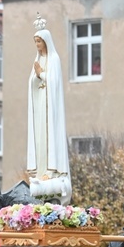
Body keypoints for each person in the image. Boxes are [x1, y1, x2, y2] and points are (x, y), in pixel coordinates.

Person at [26, 14, 71, 204]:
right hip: (39, 109)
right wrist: (35, 77)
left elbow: (54, 81)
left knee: (50, 139)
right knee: (40, 141)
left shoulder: (54, 59)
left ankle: (52, 170)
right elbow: (32, 83)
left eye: (39, 41)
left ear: (46, 41)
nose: (37, 44)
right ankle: (42, 170)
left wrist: (41, 75)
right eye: (35, 41)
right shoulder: (37, 60)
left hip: (50, 109)